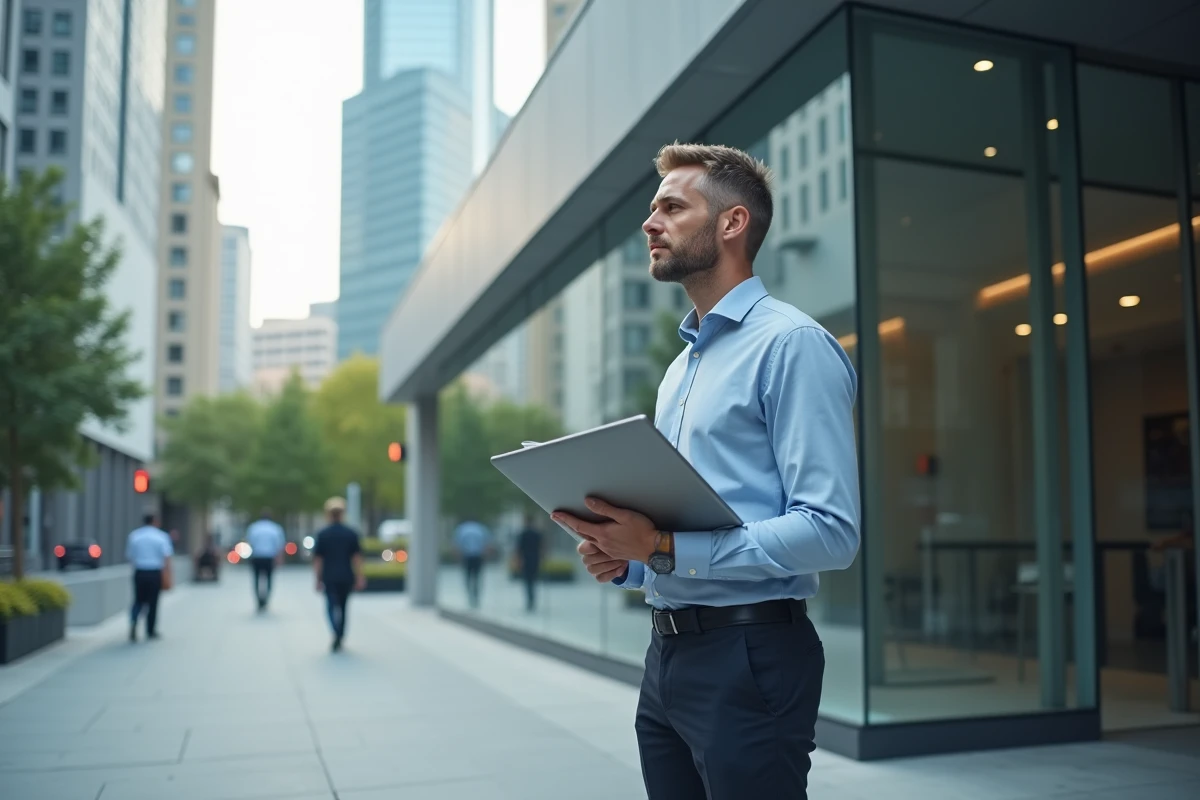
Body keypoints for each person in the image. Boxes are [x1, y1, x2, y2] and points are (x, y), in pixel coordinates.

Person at [552, 143, 860, 800]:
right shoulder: (681, 368)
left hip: (751, 657)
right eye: (651, 208)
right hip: (667, 657)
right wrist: (629, 557)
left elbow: (831, 531)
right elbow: (693, 517)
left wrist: (661, 547)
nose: (650, 222)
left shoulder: (791, 345)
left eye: (671, 206)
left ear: (731, 224)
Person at [312, 497, 364, 652]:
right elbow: (356, 558)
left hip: (329, 576)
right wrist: (360, 576)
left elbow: (318, 559)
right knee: (343, 606)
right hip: (346, 575)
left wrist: (317, 578)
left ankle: (335, 631)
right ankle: (340, 634)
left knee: (330, 606)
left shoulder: (323, 534)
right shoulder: (351, 533)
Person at [126, 513, 175, 642]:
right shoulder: (161, 537)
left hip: (140, 571)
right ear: (155, 521)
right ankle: (150, 630)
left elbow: (130, 556)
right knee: (153, 602)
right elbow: (166, 558)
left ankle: (134, 621)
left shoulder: (135, 536)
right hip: (154, 572)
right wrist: (168, 575)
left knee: (138, 600)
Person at [245, 509, 285, 611]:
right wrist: (279, 559)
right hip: (269, 557)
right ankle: (266, 599)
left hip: (257, 556)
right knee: (269, 580)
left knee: (256, 579)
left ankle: (259, 600)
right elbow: (279, 546)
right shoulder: (275, 528)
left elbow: (249, 543)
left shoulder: (254, 528)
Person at [453, 518, 491, 608]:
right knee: (477, 577)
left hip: (467, 556)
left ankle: (470, 594)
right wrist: (486, 556)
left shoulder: (462, 529)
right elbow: (487, 544)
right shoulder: (481, 529)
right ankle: (476, 595)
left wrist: (458, 557)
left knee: (468, 577)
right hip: (478, 556)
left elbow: (457, 544)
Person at [515, 515, 544, 612]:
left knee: (527, 581)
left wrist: (519, 561)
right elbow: (542, 547)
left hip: (526, 559)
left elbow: (519, 549)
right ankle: (532, 600)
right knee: (533, 580)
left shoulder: (522, 534)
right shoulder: (537, 534)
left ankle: (529, 601)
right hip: (535, 559)